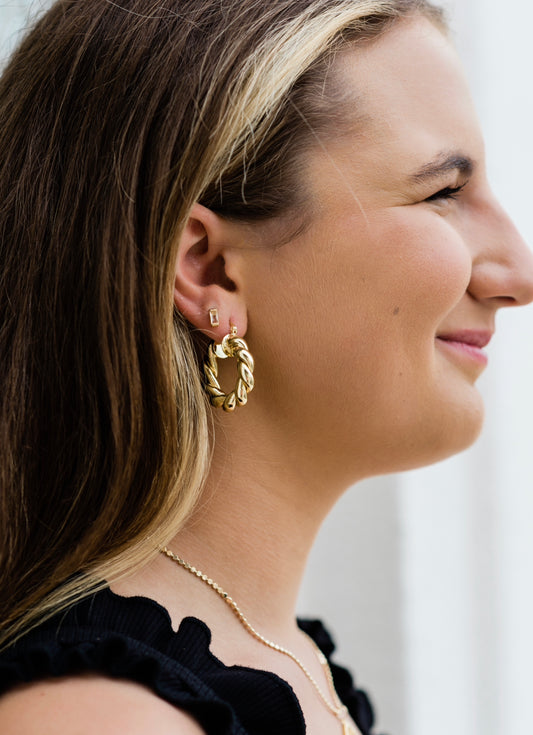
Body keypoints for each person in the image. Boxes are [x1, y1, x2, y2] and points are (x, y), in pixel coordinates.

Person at [1, 0, 533, 733]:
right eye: (442, 192)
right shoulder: (104, 717)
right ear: (209, 269)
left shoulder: (292, 663)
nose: (518, 273)